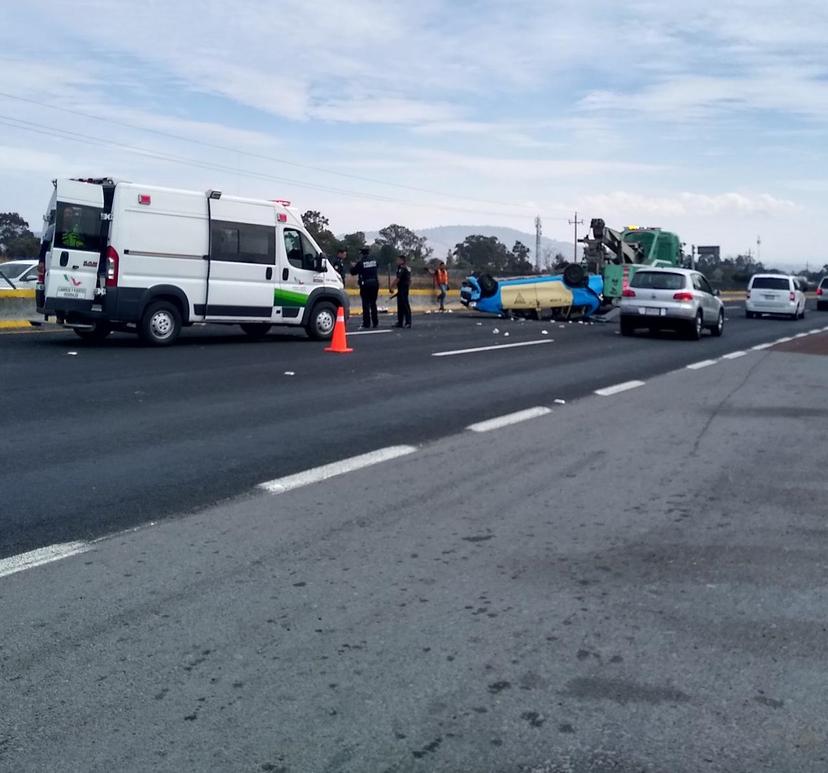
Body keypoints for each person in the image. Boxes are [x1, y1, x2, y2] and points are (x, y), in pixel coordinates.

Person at [350, 247, 379, 328]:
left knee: (365, 304)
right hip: (375, 284)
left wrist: (353, 266)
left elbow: (353, 272)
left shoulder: (361, 262)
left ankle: (367, 323)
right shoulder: (374, 261)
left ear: (362, 254)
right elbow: (377, 267)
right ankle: (375, 322)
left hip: (365, 285)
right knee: (373, 303)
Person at [391, 254, 412, 328]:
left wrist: (392, 286)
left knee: (405, 305)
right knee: (400, 306)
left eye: (398, 260)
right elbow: (410, 279)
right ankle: (400, 322)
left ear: (402, 261)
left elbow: (398, 278)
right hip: (402, 288)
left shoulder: (402, 268)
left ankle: (408, 322)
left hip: (403, 288)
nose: (396, 261)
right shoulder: (406, 268)